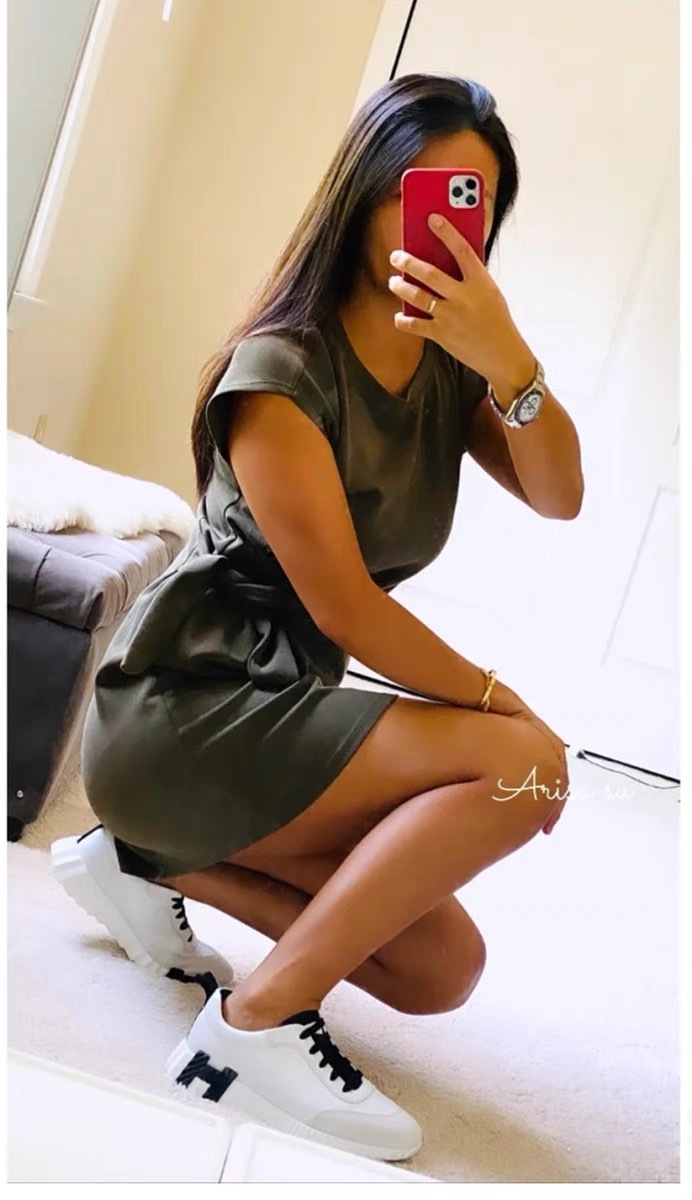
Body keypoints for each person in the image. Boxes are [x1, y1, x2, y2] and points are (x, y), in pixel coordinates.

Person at [51, 73, 583, 1162]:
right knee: (528, 768)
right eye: (418, 190)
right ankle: (250, 1027)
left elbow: (558, 493)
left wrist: (512, 364)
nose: (445, 223)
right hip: (181, 710)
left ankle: (141, 860)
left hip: (281, 714)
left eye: (473, 202)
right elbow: (344, 605)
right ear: (365, 192)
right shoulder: (281, 373)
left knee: (438, 970)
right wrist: (506, 709)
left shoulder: (450, 366)